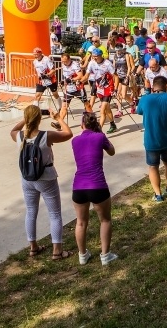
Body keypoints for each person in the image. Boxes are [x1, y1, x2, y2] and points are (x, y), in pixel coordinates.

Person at [9, 105, 74, 260]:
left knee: (31, 212)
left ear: (26, 118)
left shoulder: (19, 136)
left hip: (27, 179)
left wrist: (25, 121)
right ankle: (57, 251)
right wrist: (58, 118)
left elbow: (12, 130)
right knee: (55, 214)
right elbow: (68, 133)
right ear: (39, 119)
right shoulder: (46, 136)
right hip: (47, 178)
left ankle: (33, 247)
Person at [71, 112, 118, 266]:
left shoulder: (75, 140)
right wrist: (101, 134)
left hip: (78, 186)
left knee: (81, 222)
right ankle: (105, 255)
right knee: (105, 220)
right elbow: (112, 151)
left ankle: (82, 255)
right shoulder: (100, 136)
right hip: (98, 185)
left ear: (82, 125)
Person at [81, 48, 118, 133]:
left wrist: (115, 89)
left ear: (101, 56)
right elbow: (86, 76)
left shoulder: (107, 64)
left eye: (96, 56)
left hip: (108, 88)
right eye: (93, 56)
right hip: (99, 88)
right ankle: (113, 124)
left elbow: (115, 77)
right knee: (107, 108)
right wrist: (80, 81)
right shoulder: (91, 63)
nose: (94, 58)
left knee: (102, 110)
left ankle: (98, 131)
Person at [55, 53, 90, 128]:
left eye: (65, 61)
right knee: (64, 106)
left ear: (69, 59)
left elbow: (80, 75)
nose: (64, 63)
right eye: (62, 61)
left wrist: (71, 79)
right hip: (69, 89)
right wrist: (62, 81)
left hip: (78, 88)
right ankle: (60, 123)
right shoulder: (64, 65)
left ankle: (92, 119)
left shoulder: (75, 64)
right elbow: (65, 76)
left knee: (86, 104)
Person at [32, 47, 62, 129]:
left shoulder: (46, 59)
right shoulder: (34, 61)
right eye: (34, 53)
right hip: (41, 81)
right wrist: (40, 76)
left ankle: (60, 108)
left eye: (36, 53)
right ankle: (35, 113)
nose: (35, 55)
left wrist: (47, 75)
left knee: (55, 95)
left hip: (50, 80)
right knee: (37, 96)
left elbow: (53, 70)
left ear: (40, 53)